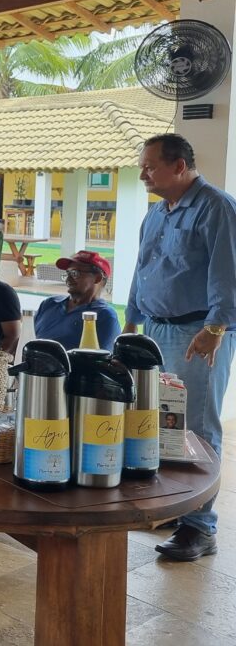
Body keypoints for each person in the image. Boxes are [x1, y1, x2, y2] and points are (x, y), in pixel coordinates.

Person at [124, 133, 236, 562]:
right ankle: (177, 507)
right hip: (153, 328)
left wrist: (216, 328)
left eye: (150, 166)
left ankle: (200, 527)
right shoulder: (155, 213)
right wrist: (132, 316)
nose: (143, 173)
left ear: (179, 166)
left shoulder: (216, 207)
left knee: (199, 430)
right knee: (162, 424)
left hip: (197, 335)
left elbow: (227, 272)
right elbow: (143, 265)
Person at [34, 250, 120, 350]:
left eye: (75, 273)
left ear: (97, 278)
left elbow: (99, 362)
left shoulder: (105, 316)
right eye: (68, 273)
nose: (68, 279)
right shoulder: (49, 304)